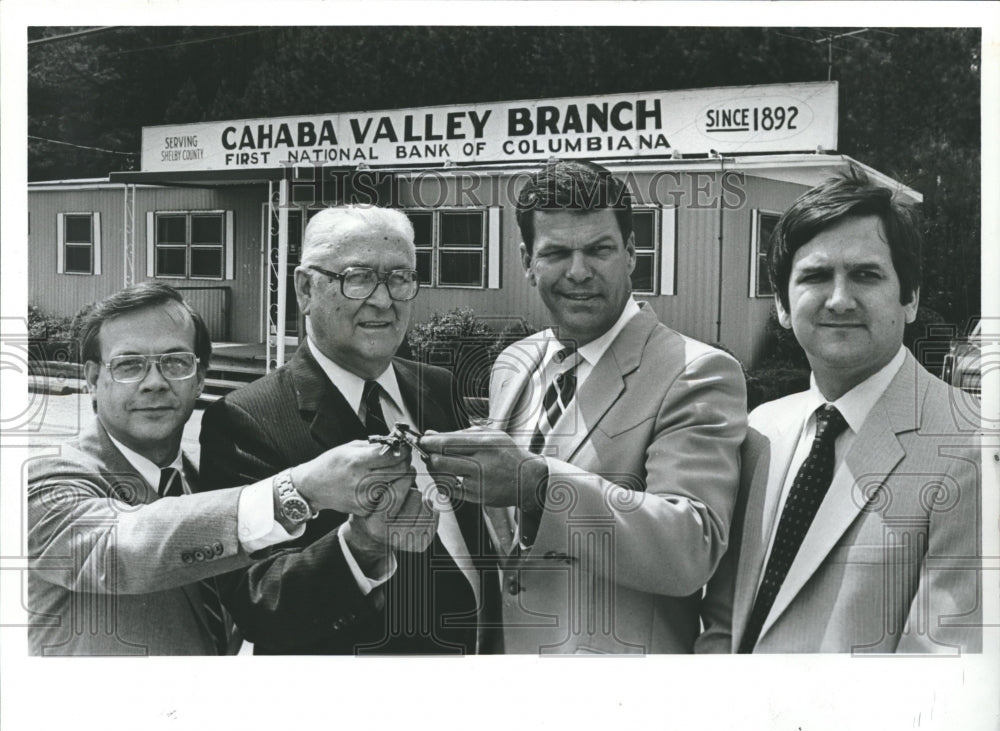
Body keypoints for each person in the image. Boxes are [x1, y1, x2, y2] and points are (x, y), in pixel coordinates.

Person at [420, 159, 748, 654]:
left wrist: (540, 486)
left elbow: (690, 547)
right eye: (556, 253)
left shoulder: (697, 372)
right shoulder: (515, 361)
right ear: (528, 261)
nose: (579, 272)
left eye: (599, 250)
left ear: (632, 254)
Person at [27, 282, 406, 656]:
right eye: (130, 365)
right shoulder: (48, 480)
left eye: (175, 362)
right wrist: (299, 489)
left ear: (200, 378)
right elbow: (120, 549)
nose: (155, 383)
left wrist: (365, 542)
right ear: (93, 380)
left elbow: (261, 594)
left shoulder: (204, 481)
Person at [698, 168, 982, 654]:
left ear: (909, 298)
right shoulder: (760, 431)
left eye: (866, 274)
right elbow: (723, 624)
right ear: (784, 307)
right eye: (814, 275)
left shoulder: (971, 445)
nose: (839, 298)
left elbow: (938, 672)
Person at [198, 205, 498, 655]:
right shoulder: (245, 419)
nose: (383, 299)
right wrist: (360, 547)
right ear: (305, 288)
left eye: (400, 278)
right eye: (357, 277)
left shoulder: (437, 387)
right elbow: (257, 601)